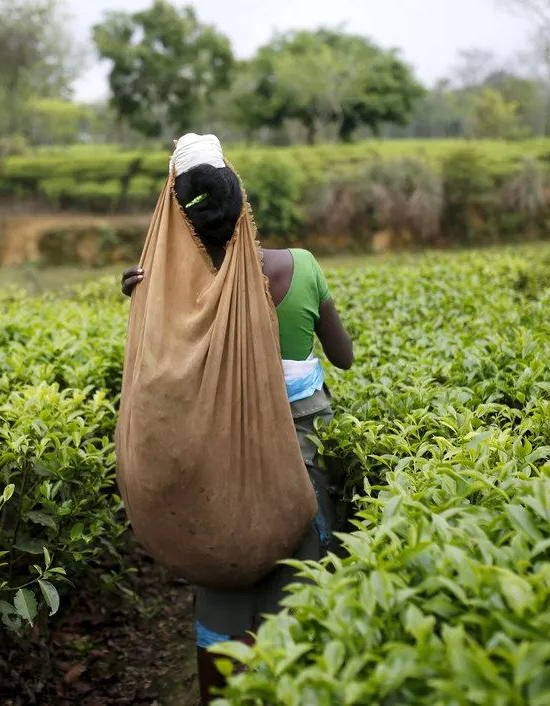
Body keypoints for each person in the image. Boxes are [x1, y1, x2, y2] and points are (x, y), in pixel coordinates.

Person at [120, 155, 354, 705]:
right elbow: (342, 357)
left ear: (179, 221)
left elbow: (159, 381)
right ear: (241, 202)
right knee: (301, 584)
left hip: (212, 462)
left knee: (221, 585)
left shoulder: (169, 292)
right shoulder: (298, 266)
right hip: (303, 453)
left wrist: (141, 297)